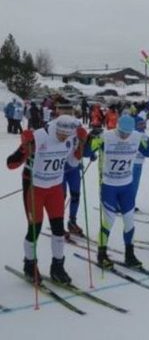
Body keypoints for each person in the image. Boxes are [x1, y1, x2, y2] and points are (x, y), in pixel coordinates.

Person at [7, 115, 87, 283]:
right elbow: (11, 164)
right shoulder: (39, 136)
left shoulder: (71, 137)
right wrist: (24, 146)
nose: (64, 138)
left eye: (68, 135)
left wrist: (81, 143)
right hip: (34, 188)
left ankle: (57, 267)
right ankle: (29, 264)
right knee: (34, 229)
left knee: (58, 230)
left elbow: (72, 163)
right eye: (61, 135)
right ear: (55, 129)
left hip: (55, 188)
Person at [88, 115, 149, 268]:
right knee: (109, 221)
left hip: (126, 186)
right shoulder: (107, 137)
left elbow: (148, 152)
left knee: (129, 221)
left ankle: (129, 254)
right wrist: (91, 138)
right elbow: (87, 152)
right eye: (122, 132)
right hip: (109, 186)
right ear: (117, 127)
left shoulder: (136, 137)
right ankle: (101, 254)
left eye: (127, 133)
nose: (125, 136)